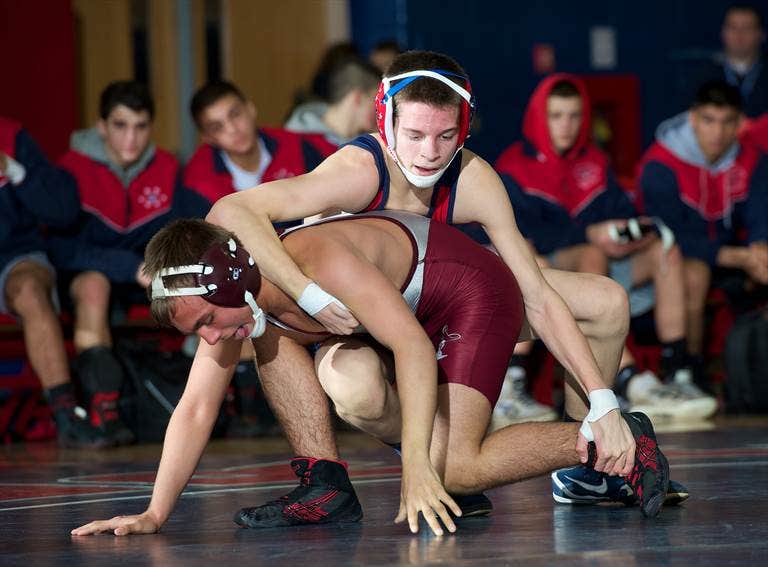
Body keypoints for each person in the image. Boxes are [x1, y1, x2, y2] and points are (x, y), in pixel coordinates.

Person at [203, 50, 676, 511]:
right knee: (355, 388)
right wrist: (305, 290)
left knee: (608, 302)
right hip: (370, 323)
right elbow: (232, 209)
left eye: (446, 135)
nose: (429, 153)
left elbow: (537, 295)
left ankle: (590, 467)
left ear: (465, 127)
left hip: (444, 305)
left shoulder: (472, 177)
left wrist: (603, 403)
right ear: (384, 122)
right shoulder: (356, 170)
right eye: (413, 134)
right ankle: (434, 457)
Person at [71, 212, 670, 538]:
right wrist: (154, 513)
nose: (206, 337)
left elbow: (410, 347)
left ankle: (612, 440)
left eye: (205, 320)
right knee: (325, 369)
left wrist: (415, 470)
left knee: (451, 469)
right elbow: (196, 407)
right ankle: (329, 482)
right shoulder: (245, 301)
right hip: (400, 316)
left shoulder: (317, 263)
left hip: (462, 294)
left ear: (228, 284)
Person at [495, 74, 717, 423]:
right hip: (546, 270)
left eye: (574, 116)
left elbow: (621, 215)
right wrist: (592, 232)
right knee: (590, 253)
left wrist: (630, 233)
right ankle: (627, 379)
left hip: (601, 265)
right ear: (538, 117)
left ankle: (677, 374)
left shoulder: (596, 162)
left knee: (664, 250)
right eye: (555, 116)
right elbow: (519, 235)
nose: (566, 125)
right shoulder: (514, 166)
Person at [50, 81, 206, 445]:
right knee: (93, 286)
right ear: (101, 126)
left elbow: (191, 229)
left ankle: (226, 404)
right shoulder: (70, 169)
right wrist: (129, 267)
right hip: (87, 280)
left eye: (140, 126)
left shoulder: (168, 168)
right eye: (120, 126)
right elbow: (61, 251)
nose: (131, 139)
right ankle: (105, 411)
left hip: (149, 277)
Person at [638, 80, 768, 385]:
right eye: (709, 121)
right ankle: (688, 373)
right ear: (693, 118)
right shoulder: (660, 164)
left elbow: (760, 212)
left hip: (737, 254)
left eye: (727, 122)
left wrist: (760, 246)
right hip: (674, 256)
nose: (718, 133)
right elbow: (668, 236)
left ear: (739, 124)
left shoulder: (751, 158)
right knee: (694, 273)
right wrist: (738, 256)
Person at [0, 116, 106, 448]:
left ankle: (66, 416)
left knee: (31, 290)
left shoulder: (12, 136)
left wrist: (13, 169)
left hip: (14, 256)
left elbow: (61, 211)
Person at [184, 80, 336, 220]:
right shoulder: (195, 182)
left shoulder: (296, 146)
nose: (232, 129)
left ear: (250, 109)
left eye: (235, 114)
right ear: (207, 137)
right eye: (217, 127)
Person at [285, 56, 380, 147]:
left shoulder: (368, 146)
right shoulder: (294, 142)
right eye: (376, 101)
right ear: (358, 98)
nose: (381, 109)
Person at [700, 4, 767, 118]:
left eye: (747, 28)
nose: (739, 35)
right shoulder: (702, 76)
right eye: (733, 27)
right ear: (723, 33)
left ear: (761, 34)